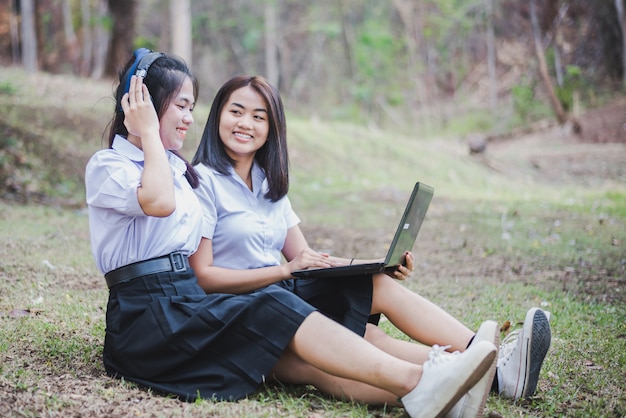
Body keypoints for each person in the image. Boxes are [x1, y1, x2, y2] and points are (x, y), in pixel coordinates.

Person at [85, 48, 497, 418]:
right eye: (181, 106)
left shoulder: (178, 170)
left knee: (300, 360)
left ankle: (441, 394)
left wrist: (363, 266)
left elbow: (286, 254)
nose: (191, 118)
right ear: (142, 104)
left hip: (186, 302)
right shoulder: (110, 166)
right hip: (148, 319)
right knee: (274, 306)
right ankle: (422, 379)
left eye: (193, 107)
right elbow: (158, 203)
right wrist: (146, 132)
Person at [190, 75, 552, 415]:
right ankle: (461, 381)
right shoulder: (203, 181)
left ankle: (494, 368)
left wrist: (375, 264)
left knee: (373, 298)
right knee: (361, 338)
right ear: (218, 114)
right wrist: (283, 270)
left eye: (258, 116)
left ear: (271, 129)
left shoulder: (268, 183)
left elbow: (309, 260)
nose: (245, 124)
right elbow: (203, 277)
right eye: (236, 112)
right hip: (244, 307)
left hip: (285, 291)